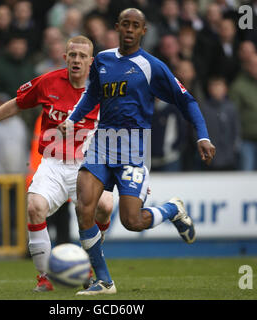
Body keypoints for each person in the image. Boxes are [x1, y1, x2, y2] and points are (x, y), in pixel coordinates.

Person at [58, 8, 216, 295]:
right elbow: (92, 93)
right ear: (117, 27)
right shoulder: (103, 60)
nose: (130, 30)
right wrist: (72, 119)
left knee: (132, 221)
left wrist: (202, 135)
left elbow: (187, 101)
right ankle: (104, 281)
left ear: (143, 31)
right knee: (84, 206)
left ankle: (172, 209)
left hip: (133, 148)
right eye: (125, 25)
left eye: (136, 26)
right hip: (103, 143)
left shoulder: (152, 66)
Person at [0, 35, 113, 292]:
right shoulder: (48, 82)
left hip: (87, 165)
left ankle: (88, 263)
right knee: (34, 206)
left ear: (91, 61)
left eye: (82, 56)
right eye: (72, 55)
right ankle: (45, 278)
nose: (76, 60)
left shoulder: (103, 88)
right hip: (53, 163)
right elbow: (18, 103)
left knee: (106, 206)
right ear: (65, 58)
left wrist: (133, 168)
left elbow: (123, 124)